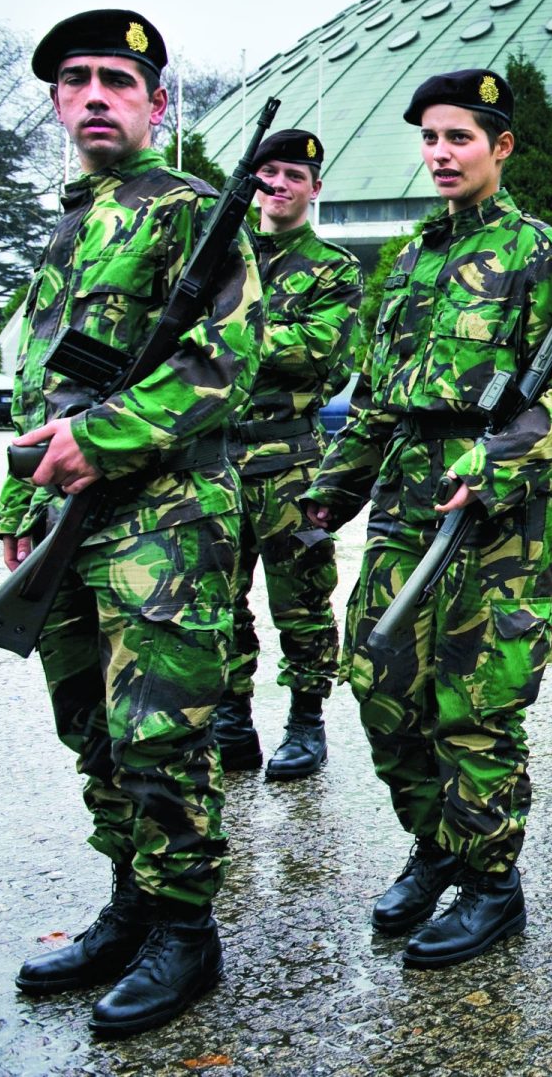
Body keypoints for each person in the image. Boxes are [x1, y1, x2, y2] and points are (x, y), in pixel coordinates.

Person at [3, 10, 262, 1035]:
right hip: (72, 515)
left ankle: (185, 932)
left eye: (119, 78)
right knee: (93, 730)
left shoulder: (190, 212)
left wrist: (104, 439)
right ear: (59, 104)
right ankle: (129, 908)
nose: (96, 93)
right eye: (77, 79)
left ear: (158, 104)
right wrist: (21, 502)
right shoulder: (68, 225)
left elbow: (221, 360)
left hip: (166, 515)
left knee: (160, 732)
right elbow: (39, 386)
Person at [303, 69, 552, 968]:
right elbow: (380, 398)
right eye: (429, 137)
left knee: (477, 702)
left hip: (497, 512)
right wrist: (329, 493)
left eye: (458, 137)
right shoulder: (418, 254)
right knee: (380, 682)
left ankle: (493, 883)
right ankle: (438, 845)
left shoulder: (540, 253)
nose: (440, 153)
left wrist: (495, 466)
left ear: (500, 146)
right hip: (406, 496)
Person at [213, 129, 364, 781]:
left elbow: (322, 355)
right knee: (215, 598)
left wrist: (226, 334)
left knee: (302, 598)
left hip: (293, 460)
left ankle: (306, 720)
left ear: (314, 188)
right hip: (213, 458)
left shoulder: (334, 269)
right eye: (267, 173)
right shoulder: (218, 260)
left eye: (292, 176)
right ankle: (230, 717)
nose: (278, 185)